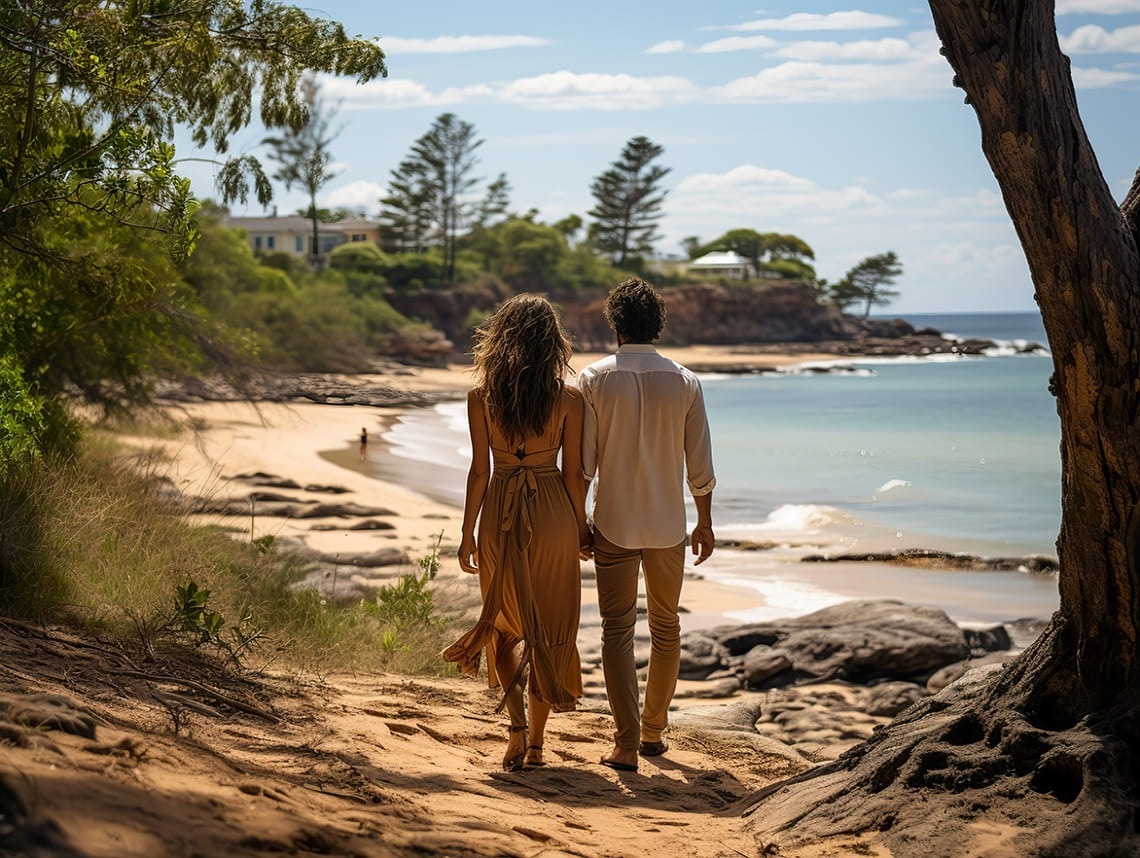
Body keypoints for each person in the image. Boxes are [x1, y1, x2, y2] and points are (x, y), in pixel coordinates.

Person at [442, 294, 591, 772]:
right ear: (553, 344)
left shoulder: (480, 398)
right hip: (552, 514)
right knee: (548, 630)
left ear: (499, 338)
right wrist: (581, 528)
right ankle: (538, 745)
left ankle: (516, 729)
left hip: (499, 510)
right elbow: (573, 476)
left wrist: (467, 533)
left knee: (503, 629)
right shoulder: (569, 399)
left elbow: (478, 472)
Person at [578, 277, 716, 773]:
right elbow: (699, 463)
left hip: (613, 521)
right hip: (667, 525)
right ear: (658, 323)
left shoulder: (593, 378)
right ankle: (654, 732)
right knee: (666, 627)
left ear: (614, 323)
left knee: (616, 631)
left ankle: (626, 743)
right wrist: (704, 522)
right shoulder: (684, 380)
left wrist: (579, 520)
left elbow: (583, 464)